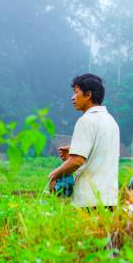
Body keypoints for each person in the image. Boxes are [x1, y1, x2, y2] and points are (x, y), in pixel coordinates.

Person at [48, 74, 120, 208]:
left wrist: (54, 175)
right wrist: (74, 149)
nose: (72, 97)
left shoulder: (86, 121)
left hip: (88, 201)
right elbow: (99, 152)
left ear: (88, 95)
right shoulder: (111, 121)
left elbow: (77, 161)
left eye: (76, 92)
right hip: (109, 200)